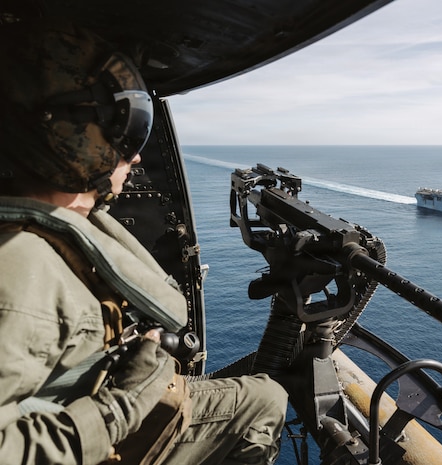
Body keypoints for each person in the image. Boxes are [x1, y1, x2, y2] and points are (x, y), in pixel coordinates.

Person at [0, 20, 288, 465]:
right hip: (105, 425)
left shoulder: (45, 229)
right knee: (264, 401)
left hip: (91, 401)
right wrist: (121, 405)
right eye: (124, 131)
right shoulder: (20, 267)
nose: (134, 155)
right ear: (68, 137)